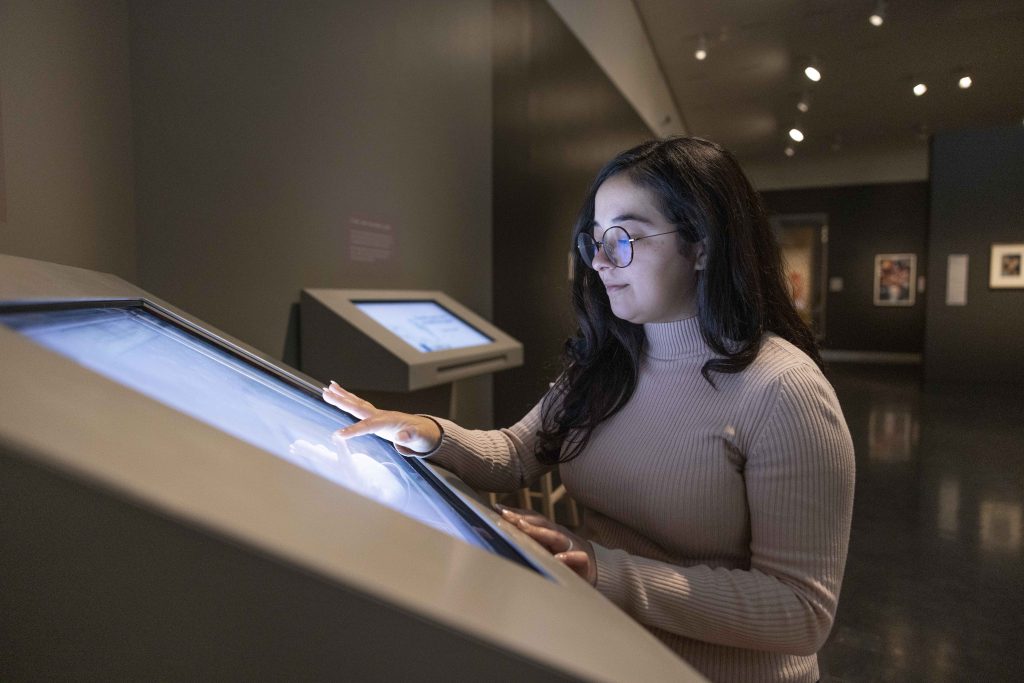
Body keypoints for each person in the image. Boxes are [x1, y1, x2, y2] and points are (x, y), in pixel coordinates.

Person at [322, 137, 855, 683]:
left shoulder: (784, 391)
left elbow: (799, 612)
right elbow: (515, 454)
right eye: (595, 240)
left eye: (623, 238)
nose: (600, 262)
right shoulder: (612, 358)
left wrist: (607, 572)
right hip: (606, 649)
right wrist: (428, 433)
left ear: (702, 244)